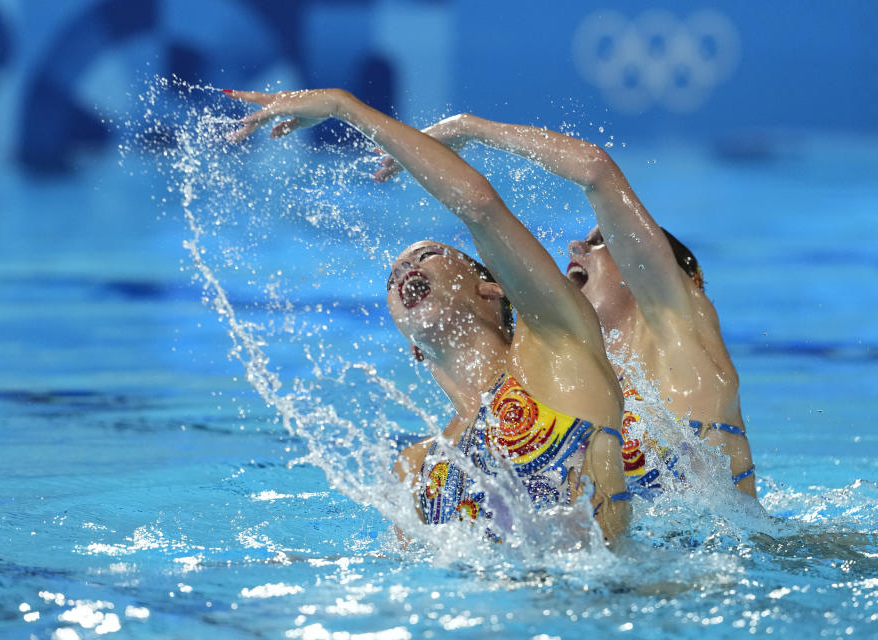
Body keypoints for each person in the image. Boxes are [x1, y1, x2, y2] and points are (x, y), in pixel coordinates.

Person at [223, 88, 631, 540]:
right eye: (392, 276)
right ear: (413, 349)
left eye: (427, 254)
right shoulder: (416, 468)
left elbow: (479, 208)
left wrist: (346, 107)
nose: (404, 271)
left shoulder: (558, 347)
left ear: (493, 289)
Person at [376, 114, 756, 497]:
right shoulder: (562, 382)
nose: (575, 248)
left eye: (601, 240)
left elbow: (596, 172)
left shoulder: (682, 343)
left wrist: (469, 129)